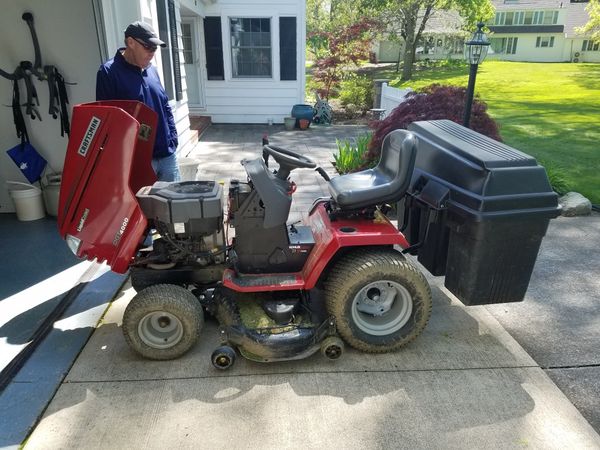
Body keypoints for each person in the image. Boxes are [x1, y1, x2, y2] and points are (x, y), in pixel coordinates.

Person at [96, 21, 180, 181]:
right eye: (148, 47)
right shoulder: (109, 72)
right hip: (138, 162)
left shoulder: (152, 70)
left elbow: (164, 106)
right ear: (130, 42)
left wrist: (173, 138)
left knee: (173, 205)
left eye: (154, 49)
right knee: (145, 206)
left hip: (167, 156)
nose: (152, 53)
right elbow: (107, 121)